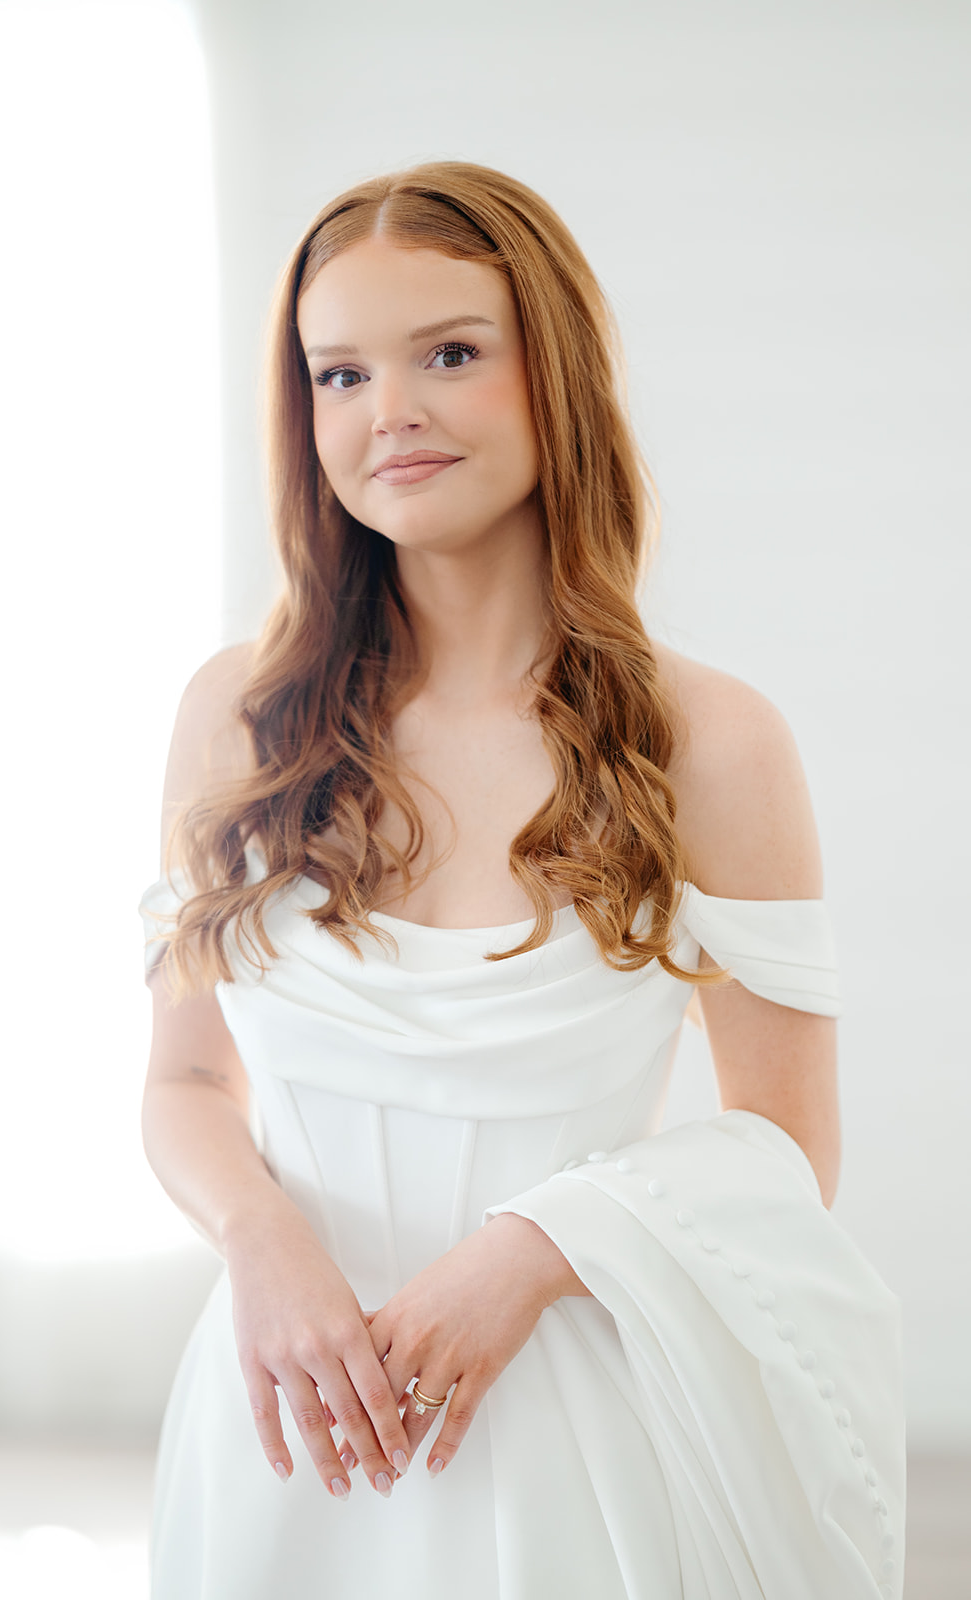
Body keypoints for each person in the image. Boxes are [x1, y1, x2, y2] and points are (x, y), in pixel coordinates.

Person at [139, 161, 904, 1599]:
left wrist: (533, 1251)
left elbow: (793, 1146)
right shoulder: (235, 718)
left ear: (553, 372)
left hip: (570, 1432)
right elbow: (184, 1085)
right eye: (341, 371)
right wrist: (263, 1241)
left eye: (450, 353)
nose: (392, 413)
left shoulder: (710, 742)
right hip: (281, 1424)